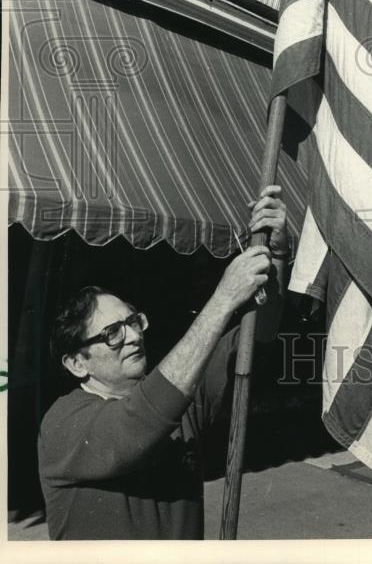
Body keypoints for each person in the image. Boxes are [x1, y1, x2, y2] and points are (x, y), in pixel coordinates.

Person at [38, 186, 288, 540]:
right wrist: (223, 299)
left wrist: (276, 255)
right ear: (77, 363)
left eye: (133, 321)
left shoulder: (179, 397)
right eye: (112, 333)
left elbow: (254, 337)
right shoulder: (62, 423)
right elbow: (135, 429)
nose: (133, 336)